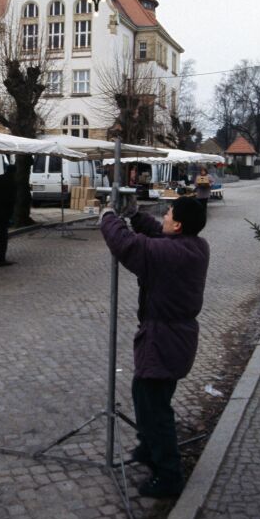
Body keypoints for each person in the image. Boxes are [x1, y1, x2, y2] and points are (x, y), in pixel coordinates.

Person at [100, 196, 209, 499]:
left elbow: (129, 246)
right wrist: (136, 214)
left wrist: (107, 216)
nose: (164, 216)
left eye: (168, 213)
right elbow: (157, 236)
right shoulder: (195, 245)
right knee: (145, 394)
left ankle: (168, 475)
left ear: (178, 224)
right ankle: (149, 448)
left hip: (163, 339)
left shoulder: (171, 254)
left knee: (155, 407)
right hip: (174, 337)